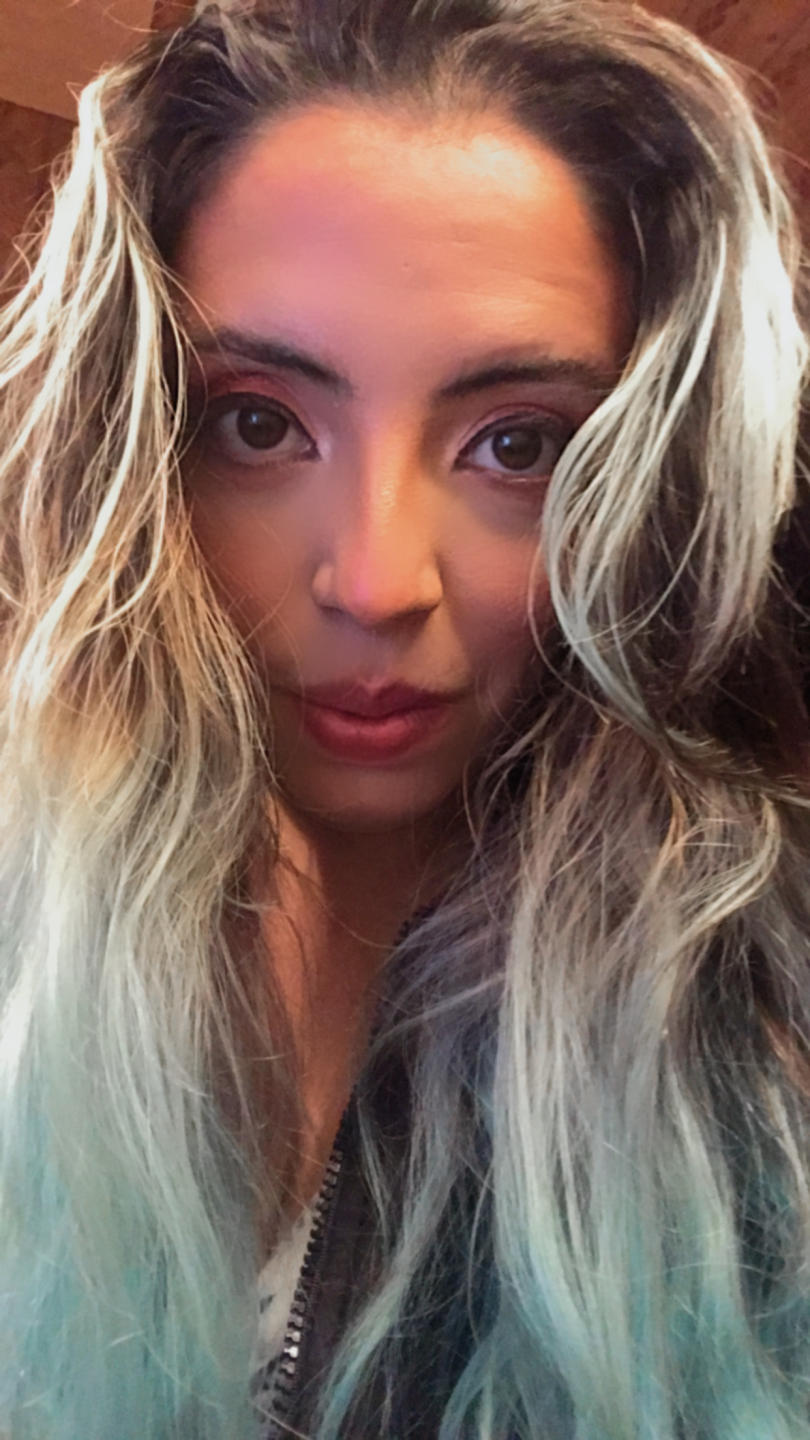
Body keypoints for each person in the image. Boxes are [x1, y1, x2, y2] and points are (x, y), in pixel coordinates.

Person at [1, 0, 809, 1435]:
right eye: (258, 423)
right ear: (125, 444)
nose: (375, 582)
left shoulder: (760, 1038)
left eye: (519, 445)